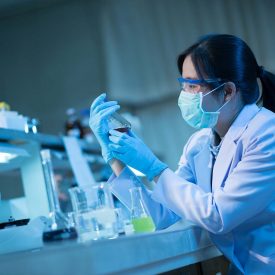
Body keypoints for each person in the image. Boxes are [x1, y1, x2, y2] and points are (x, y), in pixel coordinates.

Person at [89, 34, 275, 274]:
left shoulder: (267, 133)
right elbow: (160, 214)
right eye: (183, 84)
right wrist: (114, 156)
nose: (184, 94)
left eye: (192, 85)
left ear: (227, 91)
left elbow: (218, 216)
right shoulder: (199, 143)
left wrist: (154, 167)